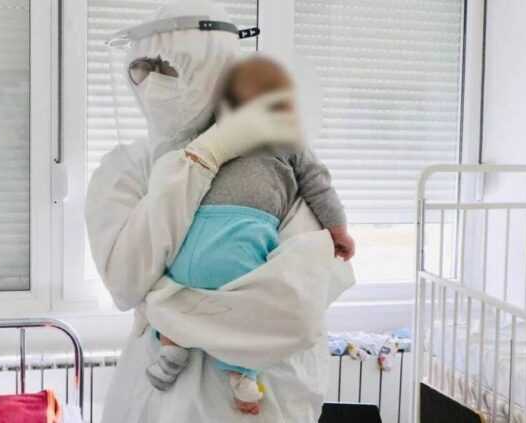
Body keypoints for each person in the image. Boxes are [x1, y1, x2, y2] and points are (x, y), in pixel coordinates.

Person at [86, 1, 355, 421]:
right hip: (156, 400)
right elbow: (125, 282)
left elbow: (291, 309)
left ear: (219, 71)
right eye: (141, 68)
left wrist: (161, 305)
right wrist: (206, 154)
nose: (153, 83)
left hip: (260, 400)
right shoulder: (124, 168)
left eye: (169, 67)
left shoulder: (277, 163)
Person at [146, 56, 356, 415]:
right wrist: (338, 231)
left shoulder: (213, 131)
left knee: (178, 292)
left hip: (193, 235)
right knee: (250, 313)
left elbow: (175, 157)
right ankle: (243, 376)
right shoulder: (289, 140)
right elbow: (319, 185)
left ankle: (170, 346)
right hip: (244, 233)